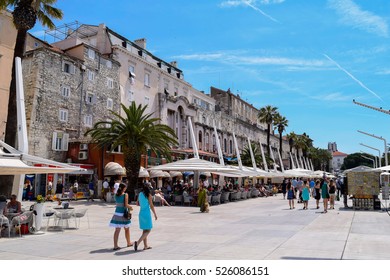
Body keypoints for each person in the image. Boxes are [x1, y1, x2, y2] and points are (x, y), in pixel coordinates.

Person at [109, 183, 133, 250]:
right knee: (127, 229)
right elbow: (126, 205)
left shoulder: (116, 195)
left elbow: (118, 204)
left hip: (117, 214)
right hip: (123, 214)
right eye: (125, 187)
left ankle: (115, 245)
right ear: (123, 188)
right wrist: (130, 207)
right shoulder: (125, 195)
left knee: (117, 230)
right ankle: (128, 243)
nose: (126, 188)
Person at [134, 183, 158, 251]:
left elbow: (137, 203)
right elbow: (151, 206)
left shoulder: (140, 194)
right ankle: (138, 242)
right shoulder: (149, 195)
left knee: (144, 230)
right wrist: (155, 214)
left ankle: (145, 246)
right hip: (147, 213)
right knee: (148, 230)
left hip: (141, 213)